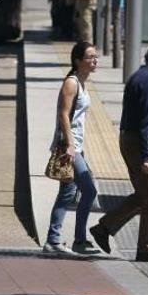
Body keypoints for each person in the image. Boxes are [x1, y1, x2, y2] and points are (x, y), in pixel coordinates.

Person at [91, 41, 148, 262]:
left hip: (134, 140)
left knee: (145, 195)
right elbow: (146, 121)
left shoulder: (142, 76)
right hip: (140, 144)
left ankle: (105, 228)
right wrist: (146, 156)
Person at [43, 42, 100, 255]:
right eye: (90, 57)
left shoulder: (83, 83)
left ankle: (61, 240)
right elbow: (63, 114)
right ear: (78, 60)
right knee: (87, 190)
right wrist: (69, 144)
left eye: (96, 57)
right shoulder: (72, 83)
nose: (95, 60)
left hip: (76, 146)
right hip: (69, 146)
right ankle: (64, 241)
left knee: (69, 192)